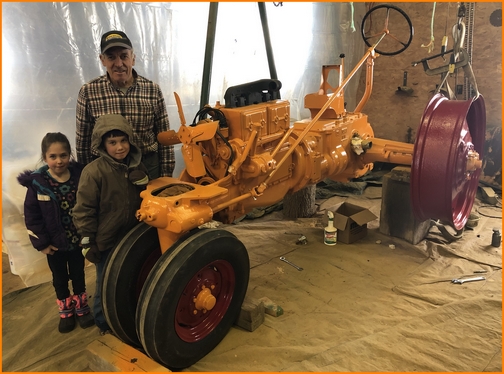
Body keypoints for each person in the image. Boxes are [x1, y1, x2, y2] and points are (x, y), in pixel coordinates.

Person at [72, 113, 149, 335]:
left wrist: (144, 182)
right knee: (106, 284)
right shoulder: (94, 171)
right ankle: (103, 324)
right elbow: (84, 209)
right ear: (102, 145)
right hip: (106, 241)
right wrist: (87, 240)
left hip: (133, 236)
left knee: (131, 277)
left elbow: (146, 196)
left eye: (123, 141)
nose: (119, 147)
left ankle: (127, 316)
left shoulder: (136, 164)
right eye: (112, 142)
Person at [17, 132, 95, 334]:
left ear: (70, 155)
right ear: (44, 157)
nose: (59, 161)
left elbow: (89, 206)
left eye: (63, 155)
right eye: (53, 156)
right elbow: (32, 216)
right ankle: (65, 311)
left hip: (77, 241)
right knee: (59, 277)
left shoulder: (80, 177)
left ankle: (82, 307)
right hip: (55, 245)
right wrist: (42, 243)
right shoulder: (38, 184)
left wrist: (86, 235)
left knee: (78, 273)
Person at [76, 30, 175, 180]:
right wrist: (87, 177)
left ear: (133, 58)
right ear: (102, 60)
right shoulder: (89, 92)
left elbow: (165, 137)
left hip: (147, 166)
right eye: (111, 57)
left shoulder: (152, 90)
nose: (118, 64)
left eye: (124, 56)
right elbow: (83, 142)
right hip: (107, 170)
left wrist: (166, 175)